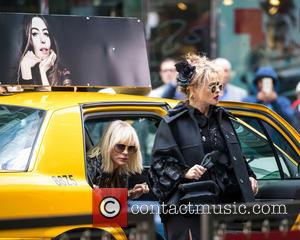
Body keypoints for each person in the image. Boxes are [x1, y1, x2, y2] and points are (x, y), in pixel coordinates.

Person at [149, 53, 257, 240]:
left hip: (221, 208)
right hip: (187, 210)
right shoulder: (173, 122)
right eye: (213, 87)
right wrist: (184, 173)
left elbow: (235, 155)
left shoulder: (222, 118)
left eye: (220, 86)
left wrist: (249, 177)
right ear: (193, 88)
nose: (219, 92)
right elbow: (158, 166)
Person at [87, 120, 149, 199]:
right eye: (120, 147)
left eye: (131, 148)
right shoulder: (91, 164)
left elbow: (116, 203)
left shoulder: (122, 168)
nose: (126, 152)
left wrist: (130, 193)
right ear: (108, 144)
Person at [17, 15, 71, 86]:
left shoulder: (63, 72)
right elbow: (28, 97)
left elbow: (49, 97)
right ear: (29, 41)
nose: (43, 40)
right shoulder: (20, 72)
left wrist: (42, 71)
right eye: (35, 34)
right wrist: (25, 68)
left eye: (46, 33)